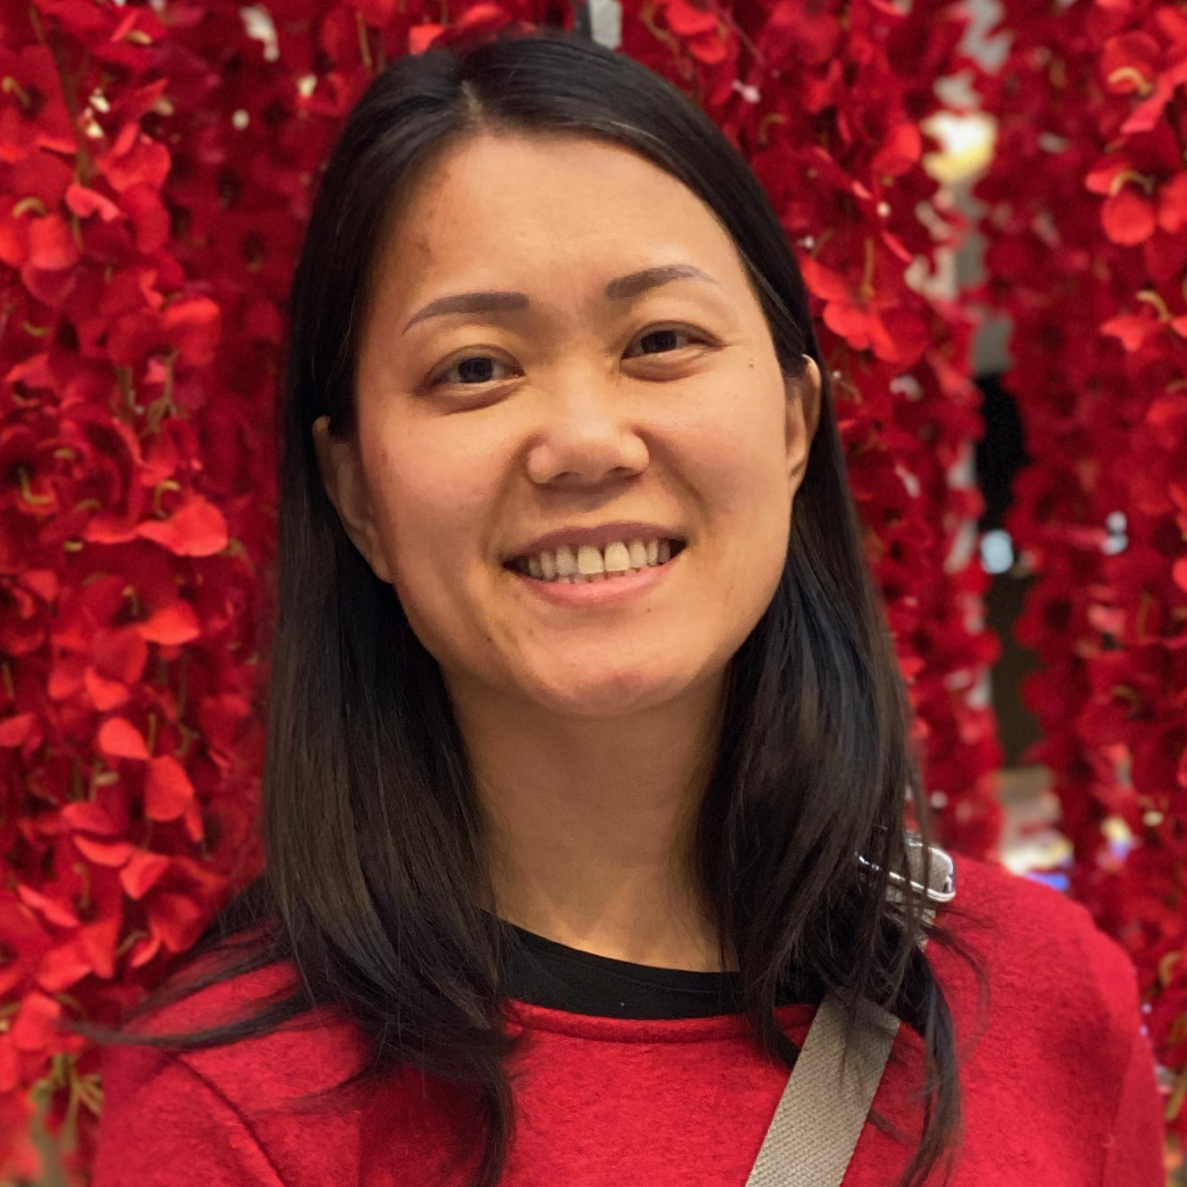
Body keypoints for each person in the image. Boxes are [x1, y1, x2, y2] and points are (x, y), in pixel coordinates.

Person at [83, 28, 1165, 1187]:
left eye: (659, 340)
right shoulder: (231, 1117)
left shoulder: (1048, 997)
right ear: (356, 493)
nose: (585, 442)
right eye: (473, 367)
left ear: (793, 423)